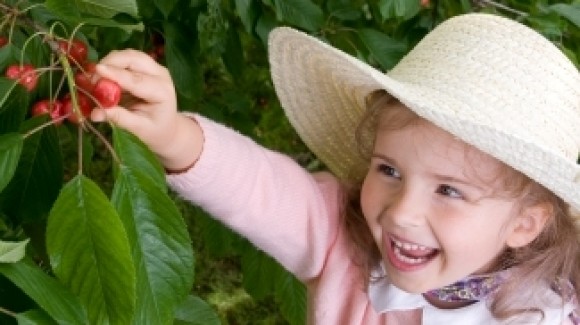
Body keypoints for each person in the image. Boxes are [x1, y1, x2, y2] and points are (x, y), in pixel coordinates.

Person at [90, 12, 580, 324]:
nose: (400, 213)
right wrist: (173, 135)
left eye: (450, 191)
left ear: (525, 223)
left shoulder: (543, 317)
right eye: (388, 170)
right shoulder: (342, 243)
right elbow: (260, 189)